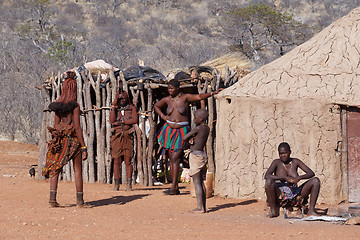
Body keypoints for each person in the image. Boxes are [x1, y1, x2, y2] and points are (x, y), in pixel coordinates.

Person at [154, 72, 221, 195]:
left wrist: (212, 93)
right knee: (171, 157)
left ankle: (174, 187)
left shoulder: (185, 98)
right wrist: (163, 116)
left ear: (178, 88)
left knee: (175, 157)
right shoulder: (167, 100)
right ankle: (174, 187)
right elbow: (156, 106)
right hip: (168, 130)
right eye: (168, 88)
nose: (169, 90)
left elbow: (199, 97)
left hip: (181, 131)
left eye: (172, 88)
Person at [42, 71, 88, 207]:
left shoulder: (57, 105)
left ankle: (52, 200)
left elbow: (56, 125)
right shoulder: (74, 105)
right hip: (73, 140)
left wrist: (55, 140)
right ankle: (80, 202)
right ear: (74, 89)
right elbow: (77, 128)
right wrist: (83, 146)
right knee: (77, 169)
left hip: (59, 139)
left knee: (55, 168)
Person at [264, 142, 321, 217]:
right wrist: (284, 178)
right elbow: (267, 176)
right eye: (280, 153)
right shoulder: (276, 162)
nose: (283, 155)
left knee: (315, 181)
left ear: (290, 152)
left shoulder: (295, 161)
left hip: (295, 194)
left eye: (285, 153)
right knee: (269, 182)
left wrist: (299, 178)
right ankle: (273, 210)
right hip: (281, 194)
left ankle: (311, 210)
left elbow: (311, 173)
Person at [110, 90, 138, 191]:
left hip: (127, 136)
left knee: (128, 160)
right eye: (120, 98)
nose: (122, 100)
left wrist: (123, 121)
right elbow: (112, 121)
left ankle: (129, 185)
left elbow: (135, 120)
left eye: (123, 98)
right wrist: (114, 105)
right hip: (116, 137)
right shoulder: (115, 109)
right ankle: (116, 184)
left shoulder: (132, 108)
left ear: (127, 98)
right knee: (116, 160)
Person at [183, 108, 210, 213]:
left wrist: (191, 137)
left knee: (197, 182)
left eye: (195, 117)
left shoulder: (198, 128)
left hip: (195, 156)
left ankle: (200, 208)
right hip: (202, 155)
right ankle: (203, 206)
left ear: (201, 118)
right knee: (201, 183)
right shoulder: (206, 128)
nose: (194, 119)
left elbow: (185, 137)